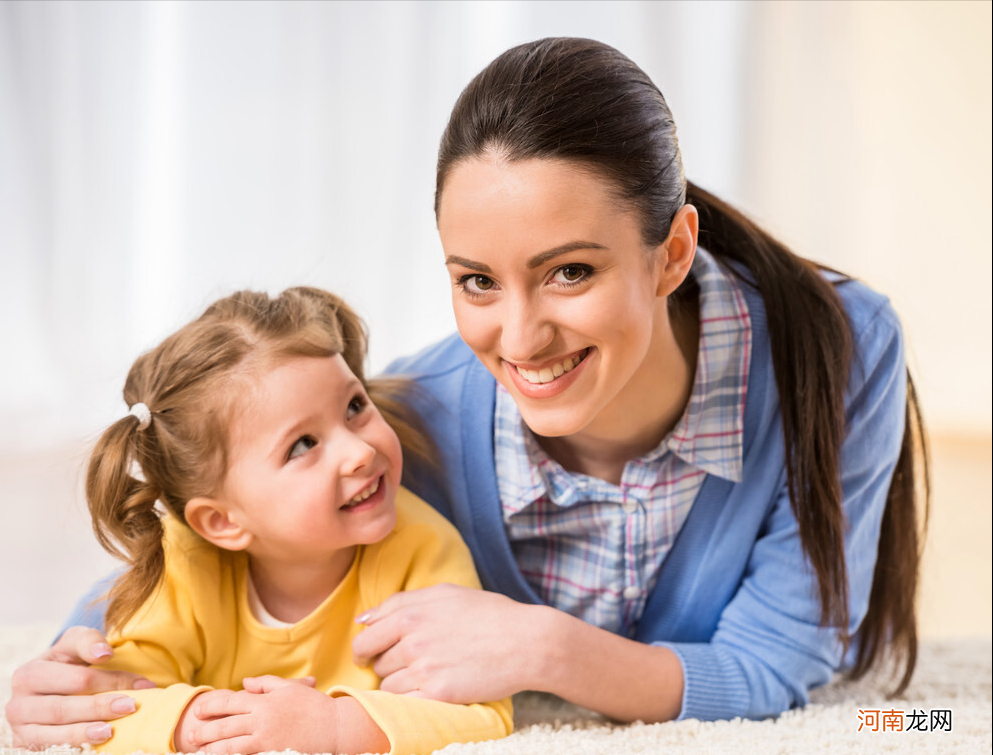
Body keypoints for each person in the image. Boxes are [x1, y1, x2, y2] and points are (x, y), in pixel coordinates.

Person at [6, 37, 927, 743]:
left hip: (871, 720)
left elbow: (775, 666)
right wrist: (80, 650)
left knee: (906, 732)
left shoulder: (839, 346)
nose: (518, 339)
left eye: (569, 271)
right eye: (477, 281)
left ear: (671, 252)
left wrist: (544, 646)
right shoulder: (414, 421)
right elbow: (221, 524)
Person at [8, 287, 512, 753]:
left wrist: (333, 726)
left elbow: (481, 715)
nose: (359, 451)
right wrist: (194, 723)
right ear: (223, 523)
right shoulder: (183, 566)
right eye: (303, 445)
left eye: (355, 406)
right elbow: (105, 706)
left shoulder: (422, 547)